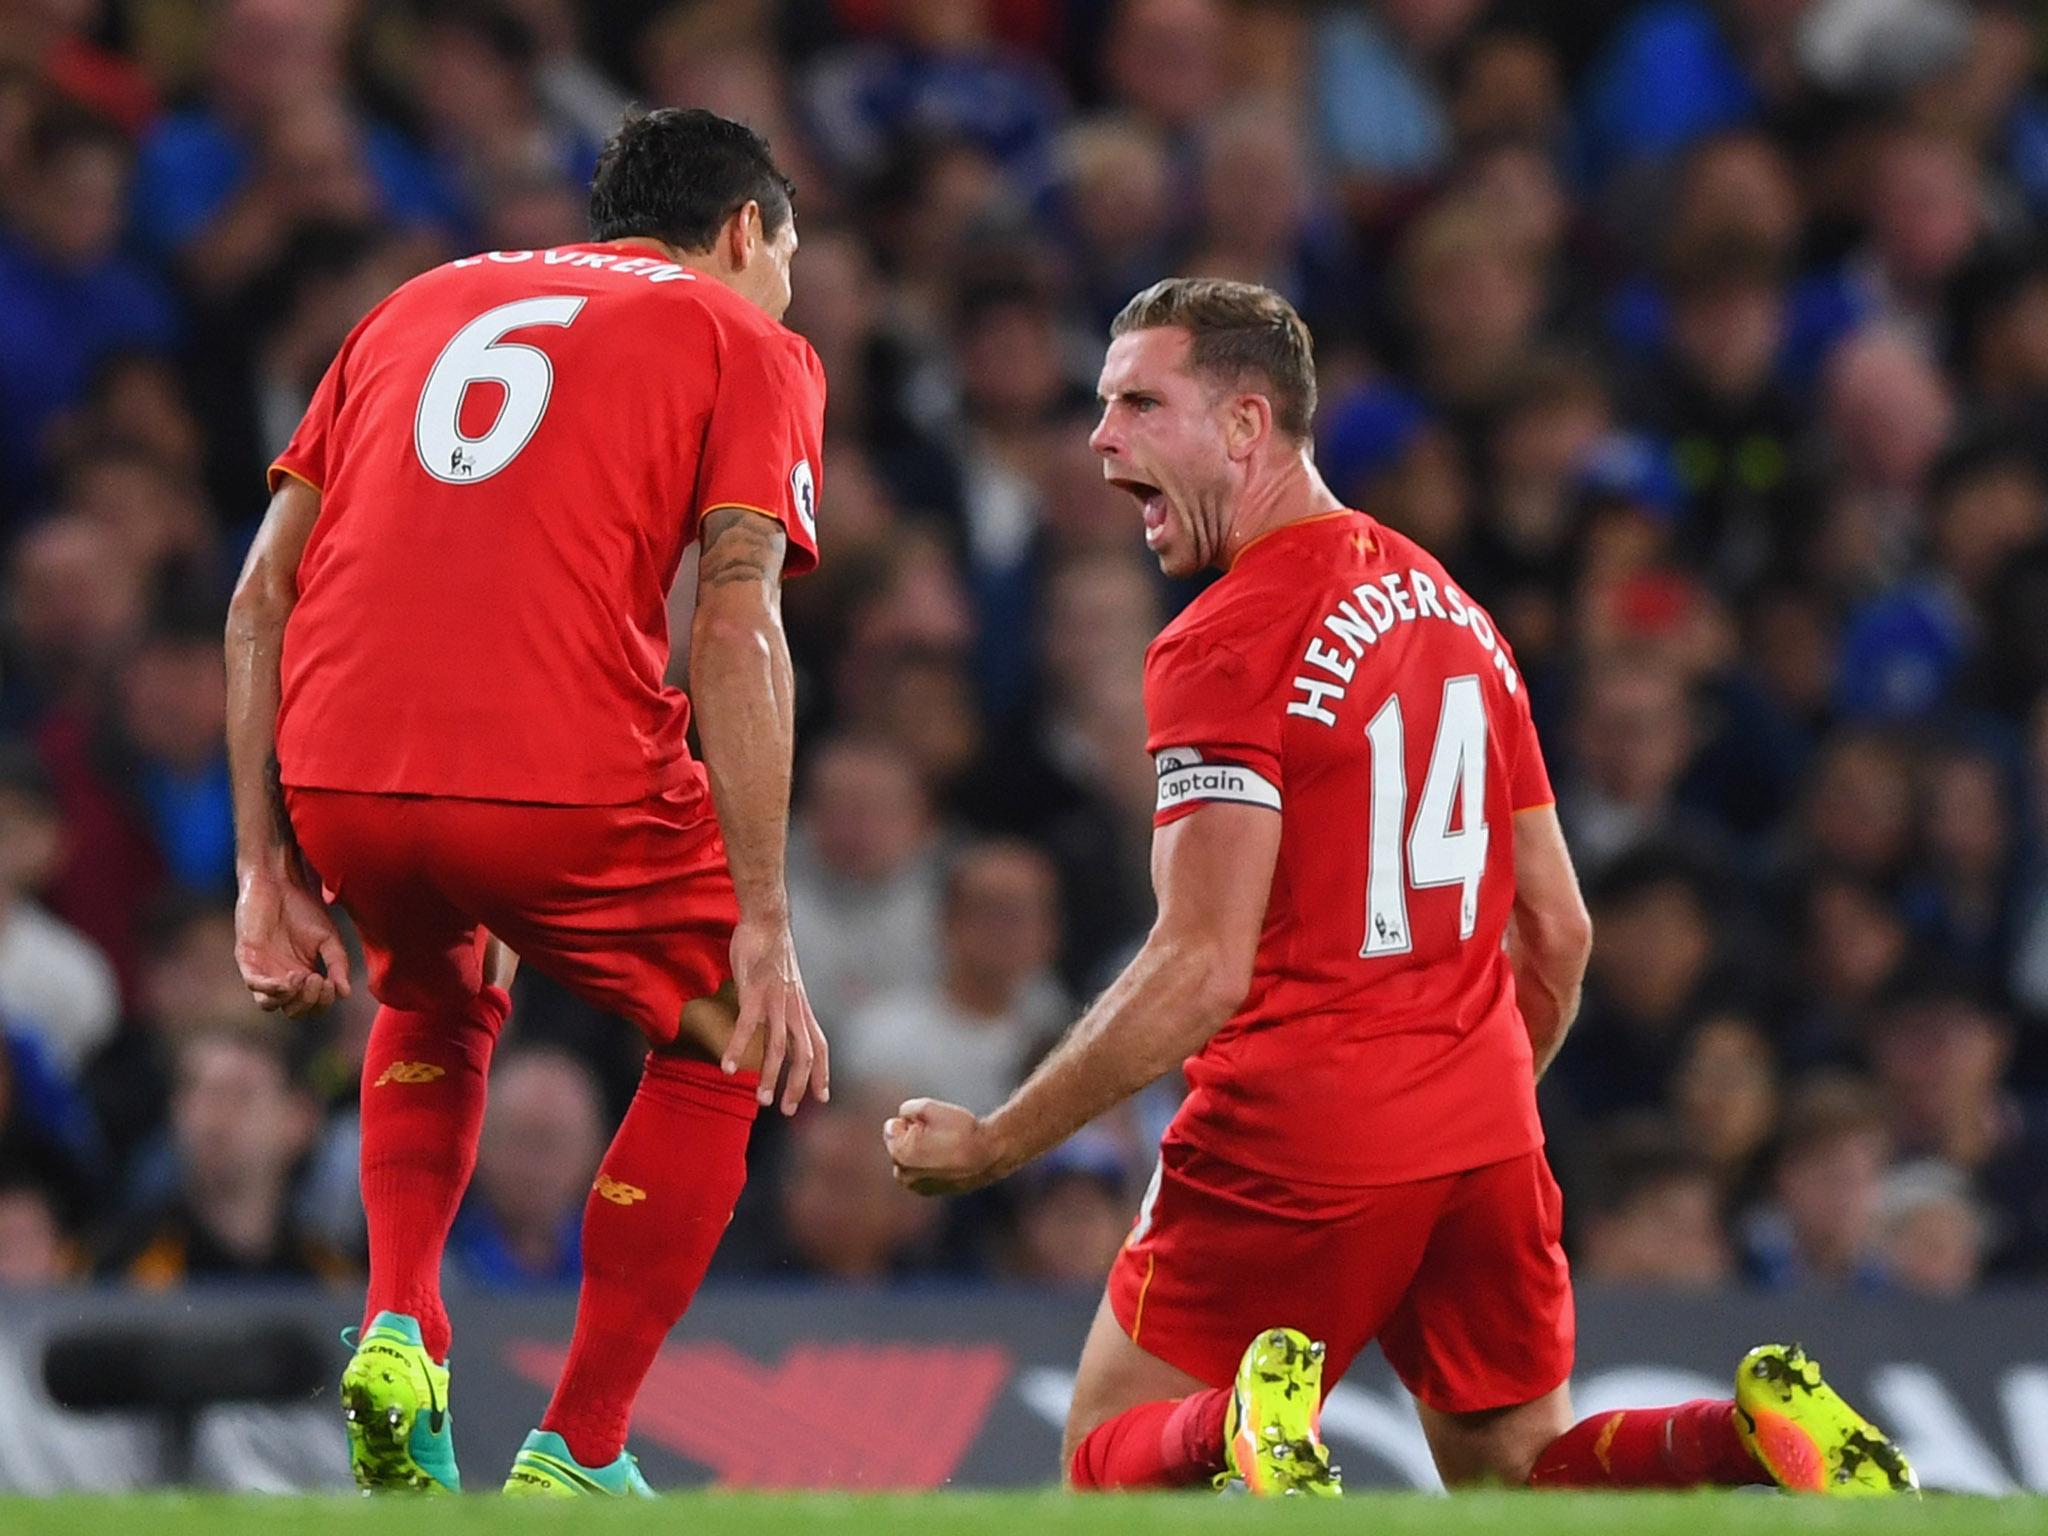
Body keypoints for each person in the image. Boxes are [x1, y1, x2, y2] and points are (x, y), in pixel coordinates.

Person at [883, 278, 1917, 1499]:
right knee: (1513, 1476)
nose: (1100, 439)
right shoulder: (1455, 612)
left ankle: (1232, 1432)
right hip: (1483, 1120)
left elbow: (1198, 966)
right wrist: (1451, 1114)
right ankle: (1735, 1436)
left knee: (1107, 1457)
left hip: (1300, 1127)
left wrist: (998, 1140)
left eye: (1136, 404)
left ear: (1242, 426)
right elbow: (1559, 929)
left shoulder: (1220, 641)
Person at [224, 107, 829, 1497]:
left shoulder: (414, 304)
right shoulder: (750, 341)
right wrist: (768, 922)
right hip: (557, 780)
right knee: (735, 1036)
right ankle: (584, 1448)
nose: (788, 284)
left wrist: (264, 866)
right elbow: (734, 621)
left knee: (437, 991)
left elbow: (262, 592)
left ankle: (397, 1324)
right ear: (746, 231)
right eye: (786, 253)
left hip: (342, 772)